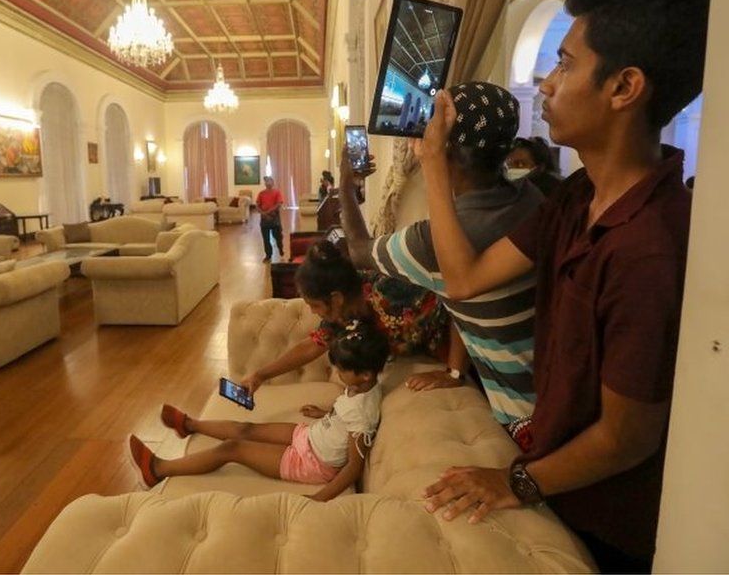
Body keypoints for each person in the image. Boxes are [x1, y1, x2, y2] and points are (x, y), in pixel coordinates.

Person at [415, 0, 712, 573]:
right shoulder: (575, 199)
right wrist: (435, 167)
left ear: (624, 87)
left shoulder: (649, 246)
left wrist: (516, 483)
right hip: (555, 481)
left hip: (604, 525)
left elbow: (627, 436)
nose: (547, 84)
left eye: (566, 63)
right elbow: (465, 280)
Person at [338, 82, 543, 438]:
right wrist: (453, 371)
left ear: (440, 146)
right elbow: (455, 292)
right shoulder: (530, 196)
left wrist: (344, 183)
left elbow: (357, 251)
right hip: (550, 388)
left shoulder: (432, 243)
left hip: (524, 419)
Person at [129, 321, 388, 501]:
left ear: (364, 374)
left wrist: (320, 498)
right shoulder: (362, 387)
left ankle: (157, 470)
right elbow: (346, 412)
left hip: (313, 463)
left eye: (342, 370)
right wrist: (325, 414)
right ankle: (190, 425)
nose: (338, 374)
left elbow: (354, 466)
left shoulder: (364, 413)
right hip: (311, 436)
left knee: (232, 448)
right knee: (246, 428)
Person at [242, 240, 464, 395]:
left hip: (472, 353)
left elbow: (457, 305)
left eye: (315, 305)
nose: (312, 311)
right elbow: (312, 345)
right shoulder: (341, 314)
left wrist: (454, 373)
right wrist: (260, 375)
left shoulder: (389, 291)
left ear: (336, 298)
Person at [256, 175, 285, 262]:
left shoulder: (277, 192)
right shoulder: (261, 193)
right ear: (265, 183)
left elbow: (279, 204)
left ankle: (280, 248)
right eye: (266, 181)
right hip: (264, 218)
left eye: (269, 181)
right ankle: (268, 255)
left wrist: (268, 212)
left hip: (274, 217)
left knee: (277, 236)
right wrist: (263, 213)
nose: (268, 183)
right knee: (266, 238)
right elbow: (257, 205)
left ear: (273, 183)